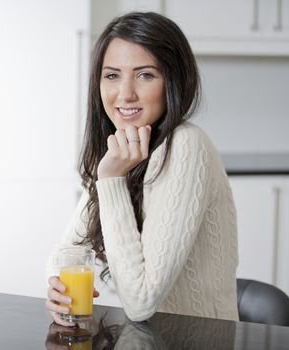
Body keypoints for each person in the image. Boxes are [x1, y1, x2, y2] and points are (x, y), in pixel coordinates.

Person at [45, 11, 239, 325]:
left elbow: (140, 303)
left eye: (145, 75)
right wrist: (57, 292)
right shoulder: (125, 149)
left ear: (173, 81)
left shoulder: (185, 145)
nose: (124, 93)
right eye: (112, 75)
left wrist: (110, 180)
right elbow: (65, 255)